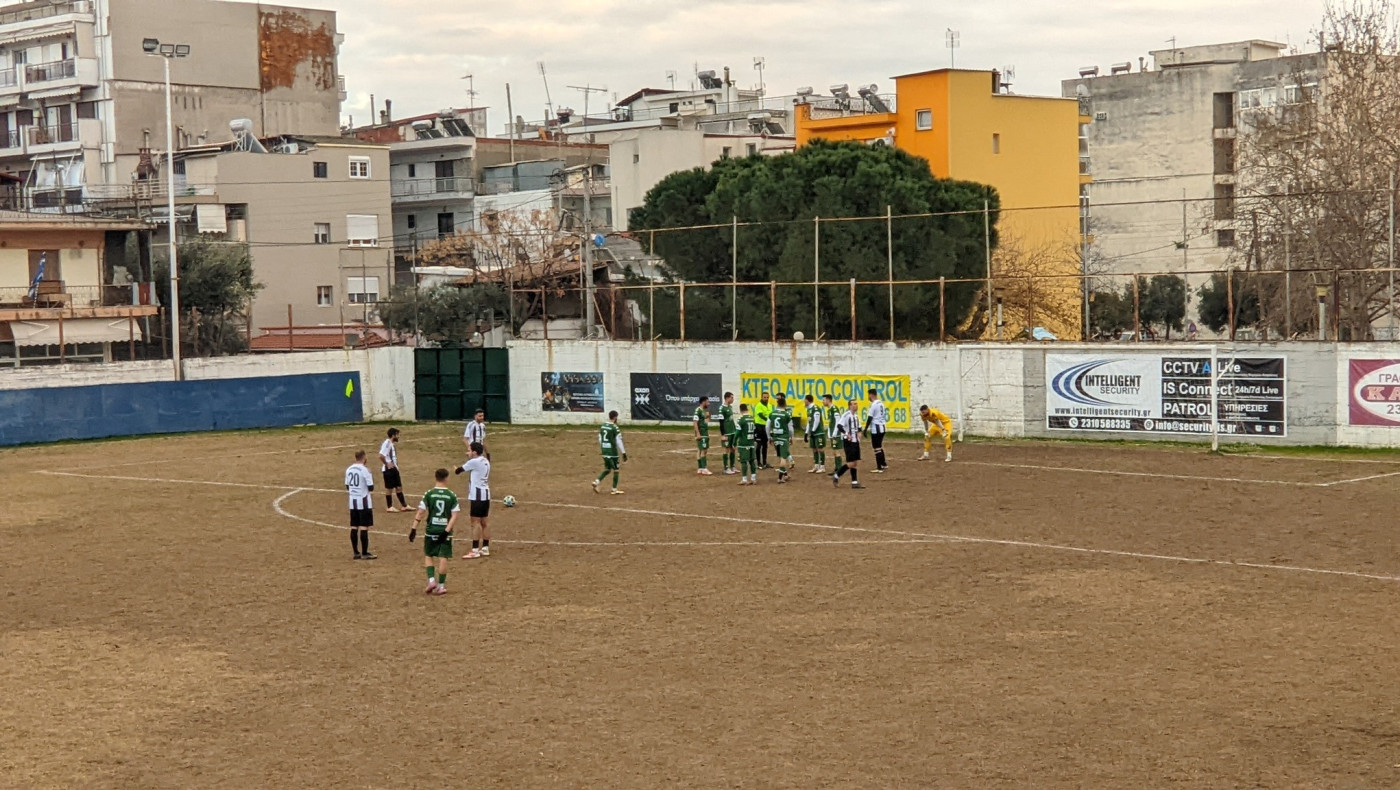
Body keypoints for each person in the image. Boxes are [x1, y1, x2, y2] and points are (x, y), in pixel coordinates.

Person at [411, 468, 459, 596]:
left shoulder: (429, 494)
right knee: (443, 557)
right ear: (446, 478)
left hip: (431, 529)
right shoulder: (451, 495)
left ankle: (431, 580)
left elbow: (421, 512)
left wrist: (413, 528)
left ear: (435, 478)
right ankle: (441, 586)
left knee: (429, 555)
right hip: (445, 530)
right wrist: (446, 531)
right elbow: (455, 515)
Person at [454, 441, 492, 558]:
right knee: (484, 522)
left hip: (477, 496)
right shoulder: (485, 460)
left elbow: (458, 471)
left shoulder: (474, 462)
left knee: (475, 522)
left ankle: (475, 549)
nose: (467, 452)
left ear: (474, 452)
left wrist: (455, 468)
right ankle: (485, 547)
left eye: (469, 450)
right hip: (485, 494)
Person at [344, 450, 377, 559]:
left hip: (352, 502)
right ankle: (364, 552)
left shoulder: (349, 469)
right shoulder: (365, 470)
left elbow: (347, 486)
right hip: (364, 502)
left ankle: (355, 552)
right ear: (364, 458)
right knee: (364, 527)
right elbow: (371, 487)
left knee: (354, 526)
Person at [592, 410, 628, 494]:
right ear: (615, 417)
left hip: (605, 451)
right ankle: (614, 489)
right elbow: (619, 441)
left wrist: (604, 447)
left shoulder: (603, 426)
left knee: (608, 469)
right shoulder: (615, 428)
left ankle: (596, 482)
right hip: (613, 452)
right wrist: (624, 453)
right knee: (616, 470)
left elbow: (600, 438)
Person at [832, 400, 865, 489]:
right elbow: (839, 426)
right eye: (854, 404)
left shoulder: (856, 416)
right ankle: (836, 475)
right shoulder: (846, 415)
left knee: (855, 462)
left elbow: (859, 427)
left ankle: (854, 482)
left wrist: (859, 432)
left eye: (856, 404)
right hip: (848, 441)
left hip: (856, 441)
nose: (856, 405)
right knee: (850, 463)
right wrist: (847, 434)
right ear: (850, 406)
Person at [379, 428, 409, 512]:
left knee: (399, 487)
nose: (398, 436)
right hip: (389, 469)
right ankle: (389, 506)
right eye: (397, 435)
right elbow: (381, 455)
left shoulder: (390, 444)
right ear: (393, 435)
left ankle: (404, 506)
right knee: (389, 488)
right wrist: (387, 464)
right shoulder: (387, 443)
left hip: (394, 468)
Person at [768, 394, 795, 483]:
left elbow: (767, 426)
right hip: (784, 437)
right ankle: (780, 478)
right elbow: (790, 428)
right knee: (783, 458)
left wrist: (769, 436)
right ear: (785, 405)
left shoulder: (772, 413)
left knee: (780, 456)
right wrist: (791, 437)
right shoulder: (787, 415)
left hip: (775, 437)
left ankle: (785, 474)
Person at [865, 389, 889, 473]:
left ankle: (879, 467)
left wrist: (865, 429)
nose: (868, 397)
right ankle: (884, 464)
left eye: (868, 395)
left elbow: (870, 417)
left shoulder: (874, 405)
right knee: (879, 445)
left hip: (876, 428)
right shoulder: (881, 403)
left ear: (871, 395)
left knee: (876, 447)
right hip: (882, 427)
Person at [735, 403, 758, 485]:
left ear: (740, 410)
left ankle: (744, 479)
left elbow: (737, 433)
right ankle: (753, 478)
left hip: (743, 443)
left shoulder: (741, 420)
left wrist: (734, 442)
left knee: (744, 461)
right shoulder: (752, 418)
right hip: (751, 442)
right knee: (752, 461)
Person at [803, 394, 827, 473]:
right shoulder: (808, 409)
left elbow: (817, 420)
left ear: (807, 400)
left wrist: (813, 430)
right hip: (812, 433)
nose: (804, 401)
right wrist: (806, 433)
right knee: (814, 449)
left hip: (818, 432)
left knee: (820, 448)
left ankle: (822, 466)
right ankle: (816, 466)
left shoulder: (815, 408)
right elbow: (809, 422)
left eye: (805, 400)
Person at [823, 394, 843, 478]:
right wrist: (829, 433)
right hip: (833, 434)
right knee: (834, 451)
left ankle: (839, 469)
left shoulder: (834, 409)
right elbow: (831, 423)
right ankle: (836, 469)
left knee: (836, 451)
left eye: (824, 400)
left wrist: (834, 433)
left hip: (836, 434)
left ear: (828, 400)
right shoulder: (829, 410)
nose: (823, 401)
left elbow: (838, 422)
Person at [692, 395, 713, 475]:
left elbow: (706, 422)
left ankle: (700, 468)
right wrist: (698, 434)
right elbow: (695, 423)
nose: (709, 404)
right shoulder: (698, 411)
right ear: (703, 402)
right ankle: (704, 468)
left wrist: (708, 417)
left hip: (705, 432)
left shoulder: (703, 411)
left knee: (700, 450)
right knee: (704, 450)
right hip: (701, 433)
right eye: (707, 402)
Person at [719, 392, 738, 475]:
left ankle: (732, 466)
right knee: (726, 449)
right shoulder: (721, 408)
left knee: (733, 448)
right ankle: (726, 468)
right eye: (731, 398)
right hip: (727, 432)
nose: (733, 399)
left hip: (732, 431)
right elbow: (721, 422)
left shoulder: (730, 407)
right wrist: (723, 434)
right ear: (727, 398)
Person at [753, 391, 773, 469]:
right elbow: (760, 415)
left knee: (765, 445)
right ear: (761, 397)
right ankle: (758, 463)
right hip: (759, 426)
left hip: (766, 427)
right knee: (759, 445)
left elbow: (771, 415)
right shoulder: (758, 405)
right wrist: (768, 420)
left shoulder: (770, 406)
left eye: (767, 397)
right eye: (764, 397)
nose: (766, 398)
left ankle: (764, 462)